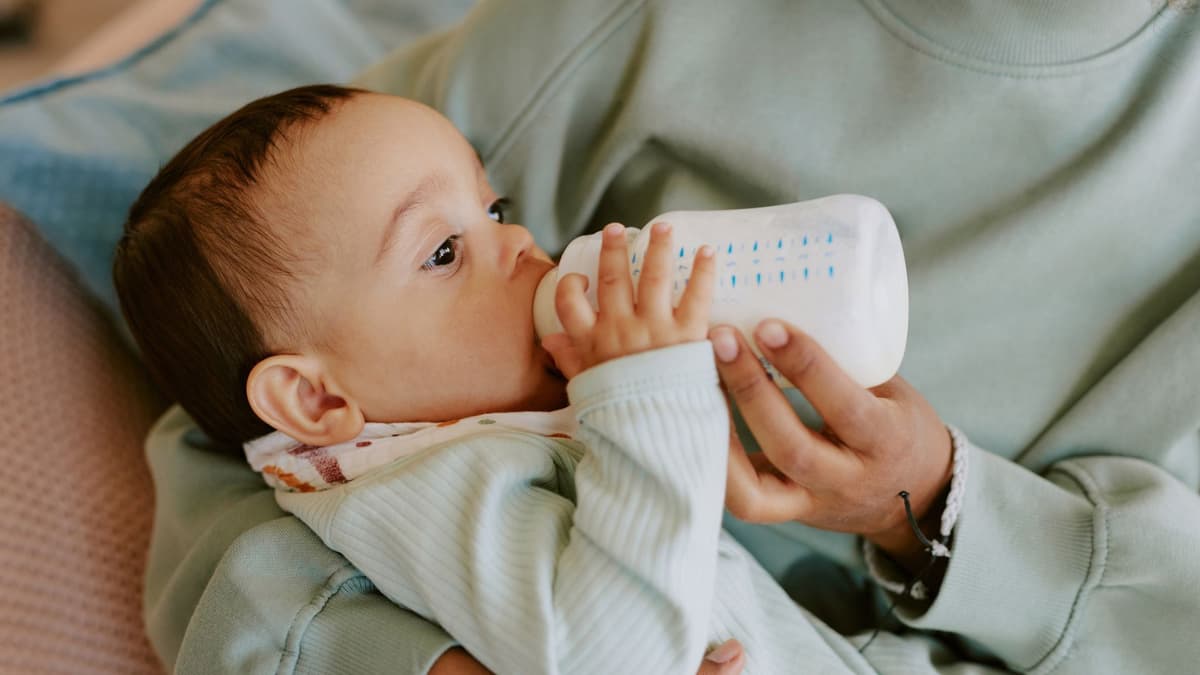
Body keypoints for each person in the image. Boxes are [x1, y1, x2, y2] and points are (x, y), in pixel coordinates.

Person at [138, 0, 1200, 673]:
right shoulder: (429, 475)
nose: (530, 250)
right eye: (450, 251)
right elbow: (241, 337)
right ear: (319, 407)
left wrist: (934, 500)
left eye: (500, 214)